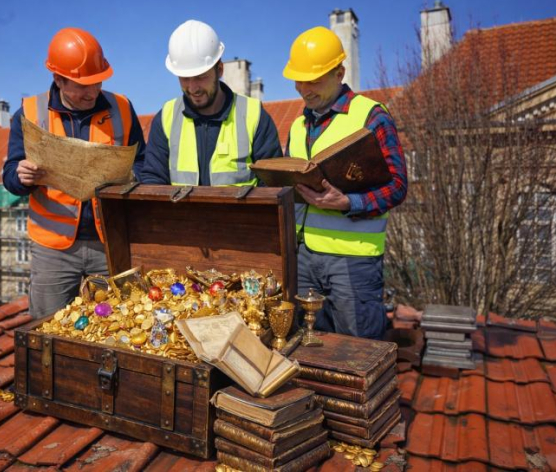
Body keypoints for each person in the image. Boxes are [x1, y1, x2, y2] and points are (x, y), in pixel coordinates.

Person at [3, 27, 146, 318]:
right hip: (53, 249)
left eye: (97, 82)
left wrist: (133, 180)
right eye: (82, 86)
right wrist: (21, 177)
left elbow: (141, 162)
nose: (92, 92)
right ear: (58, 79)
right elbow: (10, 174)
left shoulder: (122, 108)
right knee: (48, 330)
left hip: (110, 241)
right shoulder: (30, 113)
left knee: (119, 325)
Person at [283, 27, 407, 340]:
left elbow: (397, 185)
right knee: (306, 346)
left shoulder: (371, 117)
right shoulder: (298, 125)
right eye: (299, 80)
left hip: (353, 263)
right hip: (303, 258)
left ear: (340, 72)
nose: (304, 89)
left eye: (313, 80)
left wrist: (350, 203)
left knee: (357, 351)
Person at [141, 20, 282, 186]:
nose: (193, 88)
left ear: (220, 70)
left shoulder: (254, 116)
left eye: (201, 76)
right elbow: (153, 181)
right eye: (185, 78)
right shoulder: (166, 118)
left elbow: (274, 185)